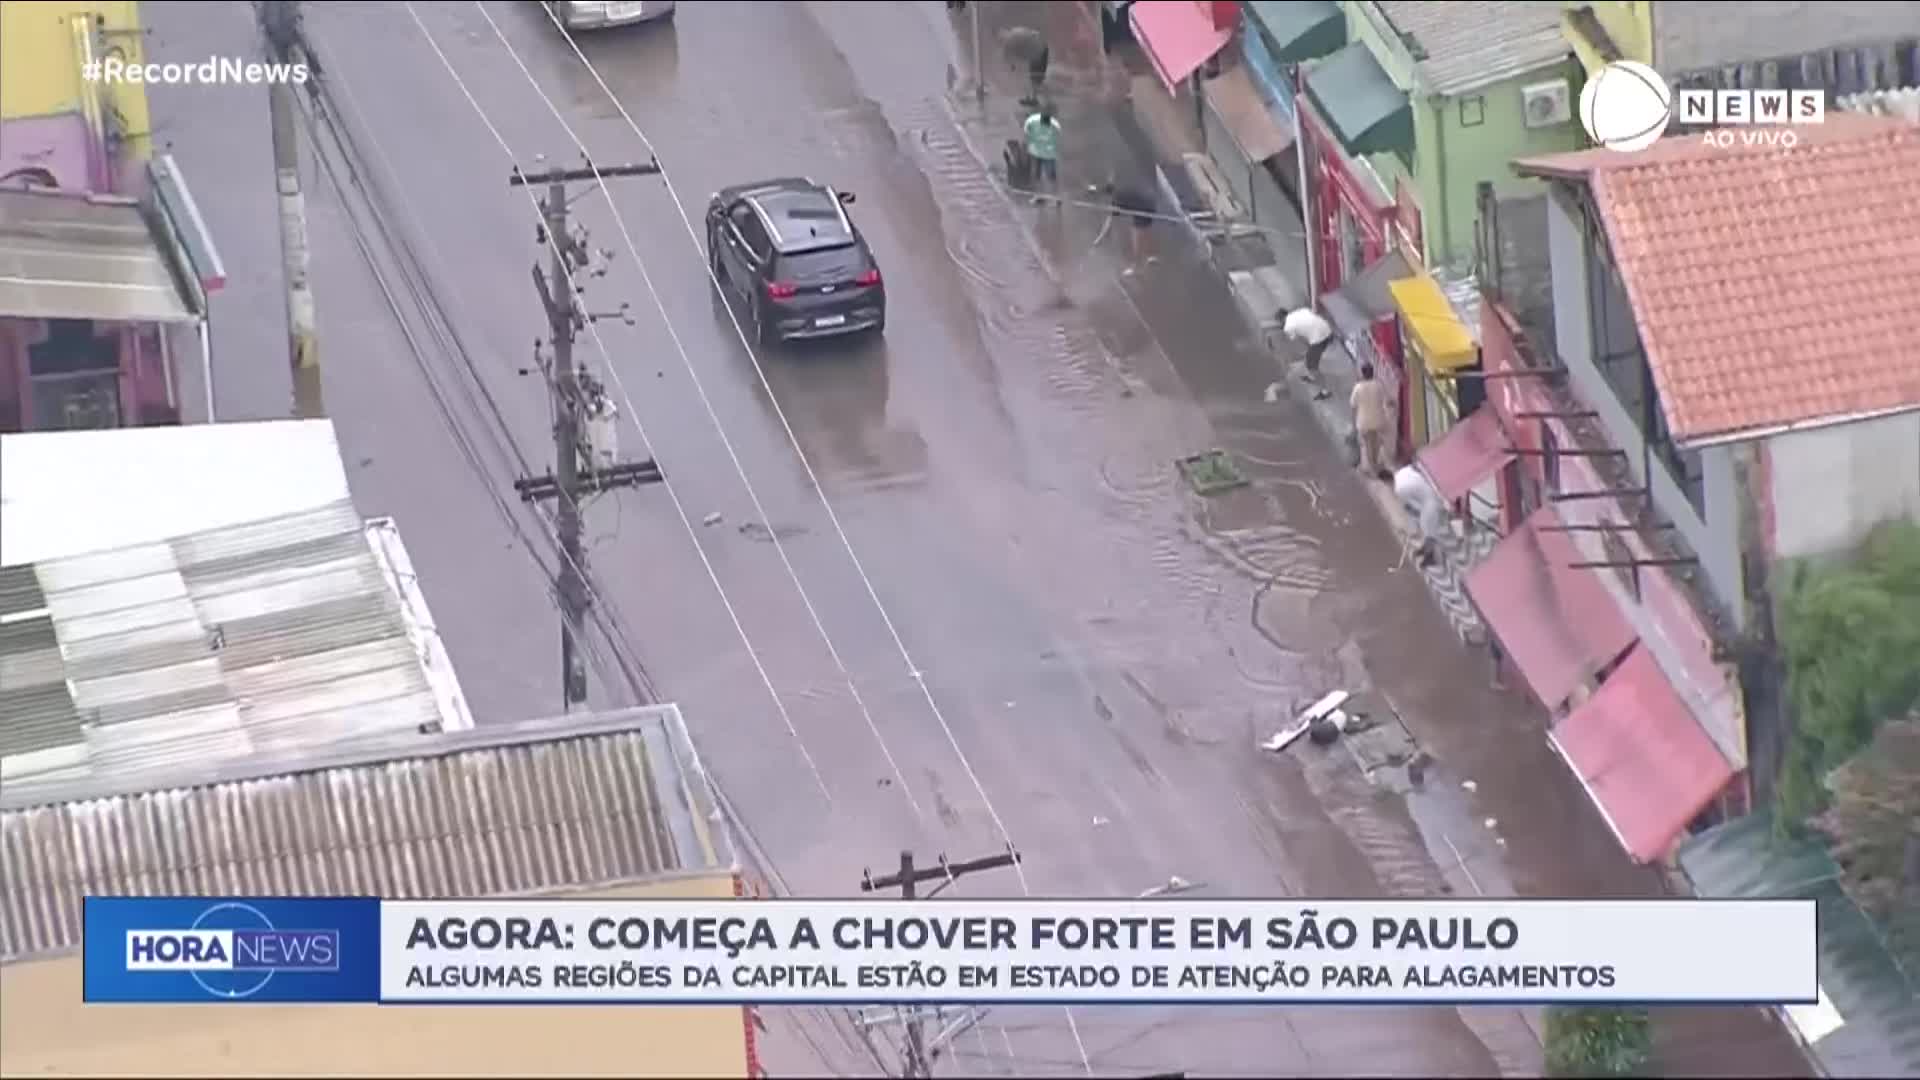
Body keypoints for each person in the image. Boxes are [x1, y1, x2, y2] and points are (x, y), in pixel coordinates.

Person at [1393, 463, 1445, 567]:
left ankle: (1431, 558)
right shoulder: (1404, 473)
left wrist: (1412, 510)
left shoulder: (1400, 489)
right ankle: (1425, 549)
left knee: (1429, 533)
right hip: (1428, 500)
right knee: (1426, 530)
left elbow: (1416, 508)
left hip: (1430, 506)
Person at [1350, 362, 1392, 479]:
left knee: (1368, 444)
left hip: (1364, 421)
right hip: (1378, 419)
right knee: (1376, 442)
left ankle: (1372, 467)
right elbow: (1387, 400)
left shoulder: (1358, 388)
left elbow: (1353, 406)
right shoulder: (1378, 385)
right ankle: (1375, 463)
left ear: (1362, 374)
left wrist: (1353, 423)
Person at [1108, 178, 1156, 269]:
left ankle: (1136, 264)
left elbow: (1110, 220)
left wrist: (1099, 239)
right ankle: (1149, 256)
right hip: (1149, 207)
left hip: (1141, 211)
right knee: (1145, 232)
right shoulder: (1123, 191)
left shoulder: (1116, 201)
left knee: (1136, 236)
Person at [1282, 306, 1334, 380]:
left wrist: (1306, 351)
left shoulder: (1288, 327)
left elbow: (1298, 341)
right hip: (1328, 329)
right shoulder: (1303, 310)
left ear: (1281, 320)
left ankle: (1316, 379)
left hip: (1319, 339)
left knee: (1310, 362)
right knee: (1314, 350)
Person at [1023, 105, 1061, 198]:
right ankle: (1038, 196)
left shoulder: (1052, 123)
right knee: (1037, 174)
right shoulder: (1032, 121)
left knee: (1050, 175)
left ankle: (1056, 197)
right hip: (1037, 151)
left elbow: (1057, 134)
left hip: (1047, 152)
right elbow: (1027, 133)